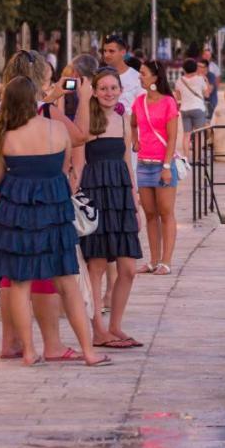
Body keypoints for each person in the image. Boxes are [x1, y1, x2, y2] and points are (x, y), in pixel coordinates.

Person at [0, 76, 109, 367]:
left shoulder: (5, 137)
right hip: (54, 212)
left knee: (19, 283)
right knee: (67, 282)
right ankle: (89, 352)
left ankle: (29, 351)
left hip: (19, 214)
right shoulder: (57, 129)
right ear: (34, 100)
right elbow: (65, 169)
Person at [78, 70, 142, 349]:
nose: (108, 92)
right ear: (93, 91)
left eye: (113, 87)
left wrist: (135, 198)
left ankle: (115, 325)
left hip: (121, 195)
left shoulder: (123, 119)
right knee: (97, 266)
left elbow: (127, 161)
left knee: (128, 268)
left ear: (120, 89)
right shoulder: (86, 120)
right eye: (103, 88)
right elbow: (78, 164)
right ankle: (98, 330)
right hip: (95, 192)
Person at [131, 60, 179, 276]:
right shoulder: (138, 102)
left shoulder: (169, 102)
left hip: (162, 165)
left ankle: (166, 261)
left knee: (166, 212)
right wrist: (134, 139)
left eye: (143, 73)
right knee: (150, 214)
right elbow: (132, 123)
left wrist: (167, 166)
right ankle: (153, 260)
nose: (140, 77)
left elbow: (172, 137)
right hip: (143, 164)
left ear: (154, 77)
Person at [100, 34, 142, 115]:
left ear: (123, 52)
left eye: (111, 51)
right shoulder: (99, 76)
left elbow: (143, 108)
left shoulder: (137, 78)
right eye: (104, 51)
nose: (106, 55)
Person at [174, 58, 211, 135]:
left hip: (184, 109)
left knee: (186, 135)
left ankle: (186, 147)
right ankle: (198, 146)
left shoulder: (179, 81)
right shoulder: (200, 79)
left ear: (184, 69)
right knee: (198, 135)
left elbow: (178, 98)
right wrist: (206, 81)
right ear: (195, 68)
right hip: (198, 108)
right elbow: (207, 94)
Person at [200, 47, 220, 120]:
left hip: (211, 97)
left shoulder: (214, 67)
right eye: (205, 54)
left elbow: (217, 80)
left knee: (207, 119)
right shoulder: (199, 66)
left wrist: (214, 89)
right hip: (202, 97)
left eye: (208, 55)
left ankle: (208, 129)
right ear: (202, 55)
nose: (207, 56)